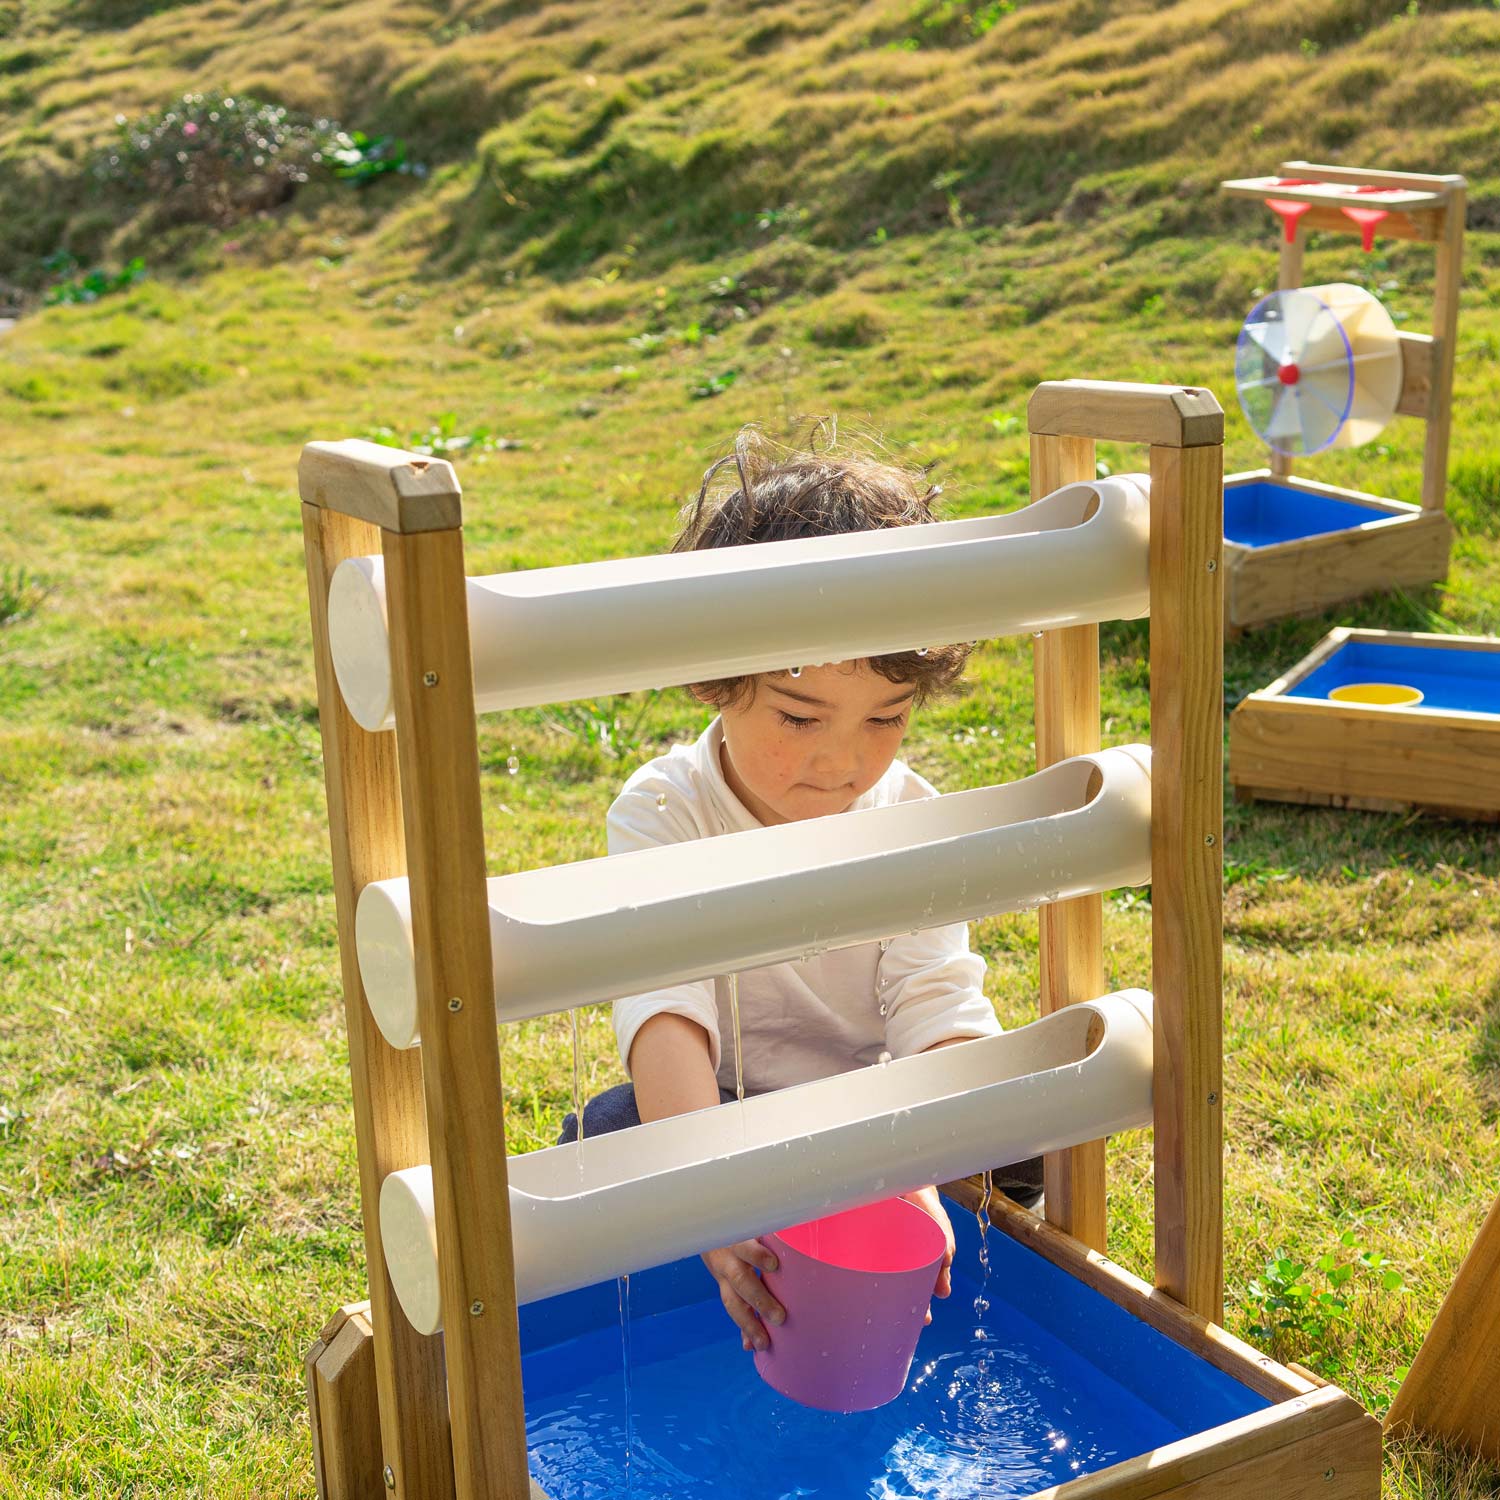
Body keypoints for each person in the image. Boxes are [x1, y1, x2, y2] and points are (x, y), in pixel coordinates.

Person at [559, 422, 1043, 1352]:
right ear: (719, 681)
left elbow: (936, 1005)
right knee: (605, 1144)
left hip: (875, 1105)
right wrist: (713, 1197)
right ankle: (700, 1272)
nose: (842, 759)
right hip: (722, 1104)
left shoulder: (911, 812)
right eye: (798, 714)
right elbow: (665, 1017)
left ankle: (980, 1258)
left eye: (886, 718)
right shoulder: (664, 811)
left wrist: (911, 1170)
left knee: (1017, 1120)